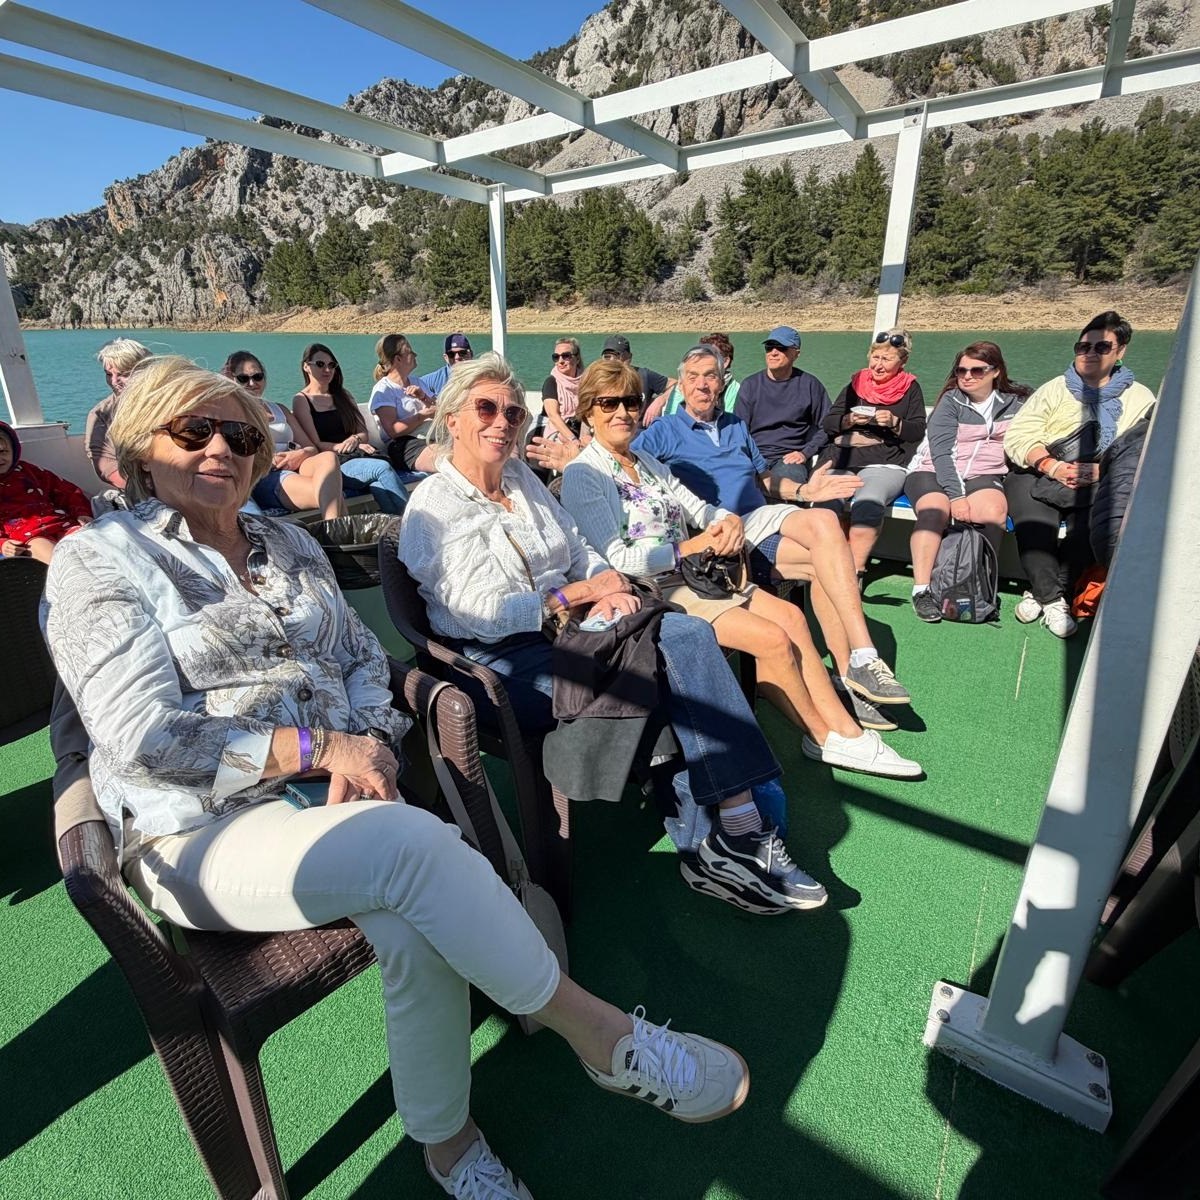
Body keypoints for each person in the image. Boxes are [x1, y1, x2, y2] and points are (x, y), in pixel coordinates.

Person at [41, 355, 750, 1200]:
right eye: (192, 431)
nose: (221, 449)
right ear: (139, 446)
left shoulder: (287, 544)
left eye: (239, 434)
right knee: (415, 846)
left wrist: (369, 749)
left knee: (412, 924)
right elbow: (142, 736)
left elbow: (364, 665)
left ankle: (450, 1148)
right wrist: (315, 750)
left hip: (341, 803)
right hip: (199, 827)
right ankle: (601, 1036)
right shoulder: (99, 560)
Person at [400, 351, 831, 916]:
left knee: (684, 635)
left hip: (573, 630)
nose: (502, 422)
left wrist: (604, 584)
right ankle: (728, 830)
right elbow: (476, 615)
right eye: (486, 408)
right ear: (453, 418)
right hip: (500, 660)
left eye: (513, 413)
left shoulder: (522, 480)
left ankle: (729, 828)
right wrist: (572, 597)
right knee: (662, 667)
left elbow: (578, 546)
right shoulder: (433, 505)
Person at [559, 361, 919, 780]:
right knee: (772, 639)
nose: (622, 412)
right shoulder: (584, 473)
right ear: (588, 411)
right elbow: (618, 560)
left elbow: (698, 507)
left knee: (792, 617)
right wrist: (691, 546)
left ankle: (846, 728)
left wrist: (725, 521)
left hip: (695, 574)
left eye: (631, 402)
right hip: (654, 591)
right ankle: (823, 737)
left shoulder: (645, 461)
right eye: (609, 403)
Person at [1003, 311, 1156, 638]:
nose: (1089, 353)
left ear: (1120, 351)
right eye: (1083, 346)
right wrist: (1052, 466)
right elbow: (1019, 436)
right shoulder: (1054, 389)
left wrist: (1101, 469)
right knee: (1032, 521)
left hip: (1102, 475)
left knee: (1092, 527)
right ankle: (1053, 599)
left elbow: (1140, 449)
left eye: (1102, 347)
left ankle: (1043, 595)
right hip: (1042, 468)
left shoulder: (1141, 398)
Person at [904, 343, 1030, 622]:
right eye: (961, 370)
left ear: (995, 372)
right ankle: (922, 590)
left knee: (993, 512)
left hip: (984, 474)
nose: (967, 376)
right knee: (935, 510)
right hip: (931, 470)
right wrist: (956, 496)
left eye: (976, 370)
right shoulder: (950, 402)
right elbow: (942, 454)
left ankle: (978, 585)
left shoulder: (1016, 402)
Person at [818, 329, 927, 583]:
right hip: (845, 458)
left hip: (885, 461)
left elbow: (917, 430)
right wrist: (848, 419)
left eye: (886, 359)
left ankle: (853, 572)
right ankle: (827, 563)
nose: (878, 365)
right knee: (826, 503)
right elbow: (829, 423)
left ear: (902, 362)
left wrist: (895, 422)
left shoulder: (911, 388)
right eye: (875, 357)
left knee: (869, 503)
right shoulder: (856, 384)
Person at [218, 352, 346, 520]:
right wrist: (268, 460)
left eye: (257, 377)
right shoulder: (230, 414)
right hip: (269, 474)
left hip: (298, 463)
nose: (252, 383)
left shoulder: (280, 409)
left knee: (328, 457)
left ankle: (335, 529)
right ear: (231, 379)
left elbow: (311, 448)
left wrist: (300, 454)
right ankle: (336, 529)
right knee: (332, 494)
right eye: (243, 378)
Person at [287, 344, 414, 513]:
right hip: (333, 464)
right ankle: (411, 521)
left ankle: (398, 523)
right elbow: (315, 444)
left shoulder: (344, 395)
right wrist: (342, 447)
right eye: (320, 364)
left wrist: (355, 440)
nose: (327, 370)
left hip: (359, 455)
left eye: (331, 365)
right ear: (306, 367)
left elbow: (363, 433)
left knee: (378, 480)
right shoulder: (302, 400)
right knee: (381, 469)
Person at [734, 326, 830, 493]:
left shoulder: (810, 385)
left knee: (788, 490)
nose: (773, 352)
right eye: (769, 347)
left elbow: (828, 426)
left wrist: (805, 453)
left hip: (789, 459)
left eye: (781, 348)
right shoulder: (750, 385)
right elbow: (738, 431)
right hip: (754, 454)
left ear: (796, 354)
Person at [0, 420, 91, 562]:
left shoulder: (29, 471)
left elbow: (67, 491)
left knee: (93, 545)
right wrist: (3, 544)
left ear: (14, 450)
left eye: (3, 451)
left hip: (62, 523)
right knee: (60, 562)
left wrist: (82, 512)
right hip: (29, 537)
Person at [370, 333, 440, 477]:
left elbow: (438, 409)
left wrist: (423, 397)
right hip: (404, 445)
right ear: (398, 359)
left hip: (431, 436)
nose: (415, 354)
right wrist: (422, 416)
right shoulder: (384, 390)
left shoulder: (417, 382)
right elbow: (393, 431)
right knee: (450, 459)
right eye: (410, 351)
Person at [85, 337, 151, 487]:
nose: (114, 381)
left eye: (124, 374)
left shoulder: (172, 400)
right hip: (141, 488)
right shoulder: (101, 414)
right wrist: (145, 489)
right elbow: (105, 464)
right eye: (109, 374)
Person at [642, 333, 740, 425]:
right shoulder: (685, 384)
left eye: (710, 354)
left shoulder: (736, 390)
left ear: (725, 361)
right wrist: (662, 398)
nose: (701, 385)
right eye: (701, 354)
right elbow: (671, 413)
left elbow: (730, 420)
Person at [600, 335, 675, 413]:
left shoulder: (644, 376)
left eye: (617, 355)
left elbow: (676, 385)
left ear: (629, 357)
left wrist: (661, 399)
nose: (612, 361)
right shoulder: (597, 380)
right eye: (607, 356)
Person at [539, 336, 585, 445]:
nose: (560, 361)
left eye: (566, 356)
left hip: (582, 429)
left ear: (577, 358)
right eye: (556, 357)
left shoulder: (586, 381)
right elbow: (553, 415)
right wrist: (573, 439)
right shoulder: (551, 382)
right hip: (559, 433)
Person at [418, 333, 474, 398]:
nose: (457, 357)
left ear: (471, 354)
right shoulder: (434, 379)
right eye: (451, 354)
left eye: (462, 353)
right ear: (446, 358)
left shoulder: (480, 376)